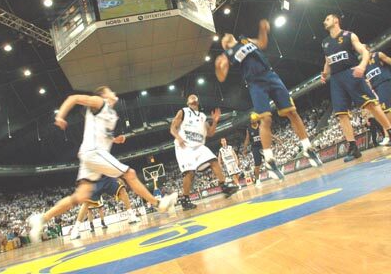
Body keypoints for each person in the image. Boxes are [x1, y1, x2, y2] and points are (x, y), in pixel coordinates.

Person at [29, 86, 177, 242]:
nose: (114, 93)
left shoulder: (111, 114)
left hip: (90, 156)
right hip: (93, 152)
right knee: (130, 173)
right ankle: (158, 203)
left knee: (80, 196)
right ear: (103, 95)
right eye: (110, 91)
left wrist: (114, 140)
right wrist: (60, 116)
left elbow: (100, 133)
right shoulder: (99, 102)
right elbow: (73, 98)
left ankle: (42, 219)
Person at [216, 20, 322, 179]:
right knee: (266, 119)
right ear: (224, 44)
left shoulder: (246, 41)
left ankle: (308, 147)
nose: (226, 35)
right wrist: (219, 67)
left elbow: (262, 43)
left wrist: (263, 30)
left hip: (271, 76)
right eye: (224, 37)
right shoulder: (226, 54)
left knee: (292, 112)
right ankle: (269, 159)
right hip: (255, 83)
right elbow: (222, 77)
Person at [321, 14, 391, 162]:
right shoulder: (325, 43)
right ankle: (353, 147)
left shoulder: (349, 35)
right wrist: (324, 73)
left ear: (335, 20)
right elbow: (328, 61)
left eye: (327, 19)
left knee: (370, 104)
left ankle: (389, 131)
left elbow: (365, 51)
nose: (324, 22)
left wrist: (362, 65)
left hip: (351, 72)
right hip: (336, 79)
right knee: (341, 113)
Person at [170, 94, 238, 210]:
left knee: (214, 160)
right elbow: (172, 128)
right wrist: (178, 137)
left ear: (197, 102)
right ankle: (185, 200)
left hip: (198, 146)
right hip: (184, 146)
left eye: (195, 98)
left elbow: (210, 133)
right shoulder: (183, 112)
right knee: (189, 173)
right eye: (190, 98)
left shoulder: (202, 116)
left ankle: (224, 186)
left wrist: (215, 121)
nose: (193, 98)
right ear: (187, 102)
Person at [70, 176, 140, 240]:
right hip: (93, 180)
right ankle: (76, 229)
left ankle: (131, 216)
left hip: (105, 177)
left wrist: (117, 176)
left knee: (122, 190)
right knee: (86, 203)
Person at [243, 113, 283, 186]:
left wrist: (277, 139)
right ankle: (257, 180)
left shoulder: (261, 126)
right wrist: (244, 149)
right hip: (255, 148)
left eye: (253, 119)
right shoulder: (248, 129)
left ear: (256, 119)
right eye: (251, 119)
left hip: (263, 146)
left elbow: (268, 134)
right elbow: (247, 139)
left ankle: (278, 174)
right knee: (257, 165)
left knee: (271, 161)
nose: (252, 120)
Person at [365, 49, 391, 144]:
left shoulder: (377, 55)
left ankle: (389, 134)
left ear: (368, 49)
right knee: (386, 111)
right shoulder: (364, 65)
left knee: (387, 110)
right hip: (377, 88)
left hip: (385, 83)